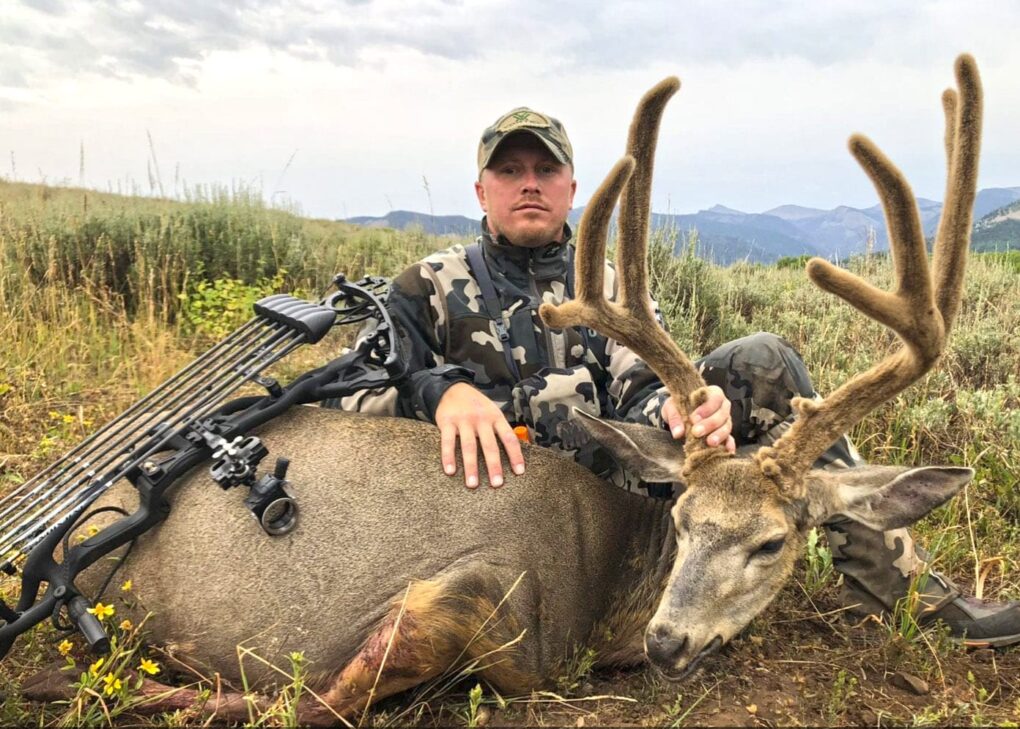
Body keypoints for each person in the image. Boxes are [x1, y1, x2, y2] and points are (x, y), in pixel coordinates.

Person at [341, 106, 1020, 647]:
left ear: (571, 188)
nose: (529, 183)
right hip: (488, 514)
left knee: (763, 360)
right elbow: (356, 388)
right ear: (480, 189)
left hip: (612, 494)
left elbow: (638, 381)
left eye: (545, 170)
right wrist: (442, 391)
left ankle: (899, 590)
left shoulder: (605, 285)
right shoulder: (426, 284)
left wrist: (679, 405)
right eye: (510, 169)